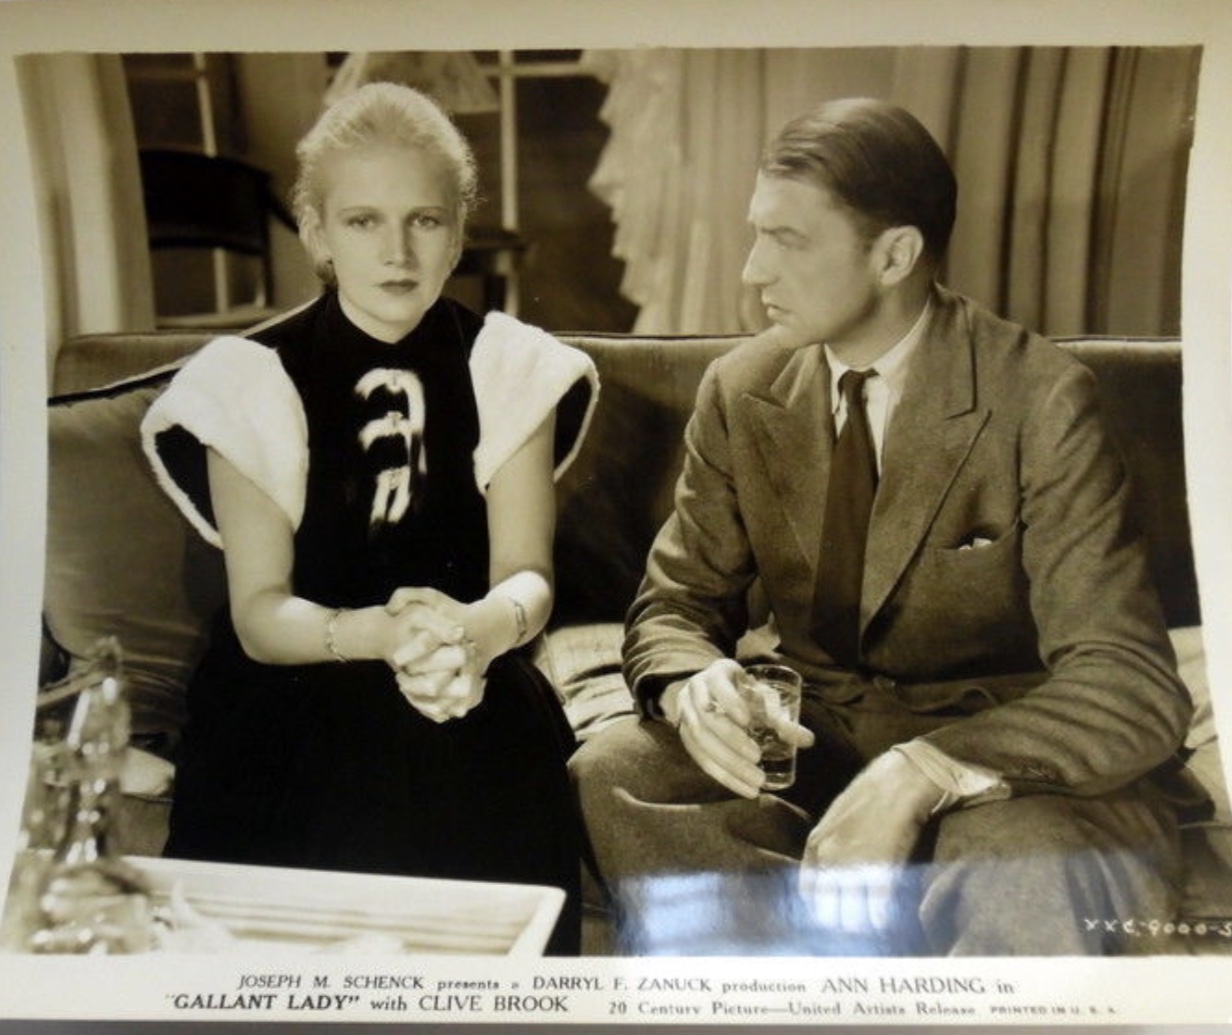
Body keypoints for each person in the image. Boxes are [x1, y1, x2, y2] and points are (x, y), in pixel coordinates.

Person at [571, 97, 1193, 956]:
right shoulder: (740, 389)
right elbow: (675, 606)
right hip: (808, 736)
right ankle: (770, 995)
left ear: (895, 253)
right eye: (756, 233)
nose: (753, 271)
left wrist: (923, 770)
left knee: (1022, 854)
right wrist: (693, 685)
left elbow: (1130, 682)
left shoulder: (1041, 399)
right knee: (619, 770)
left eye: (787, 241)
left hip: (995, 762)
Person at [141, 82, 597, 954]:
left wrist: (478, 631)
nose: (397, 251)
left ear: (459, 230)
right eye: (362, 222)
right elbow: (260, 611)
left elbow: (528, 574)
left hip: (471, 672)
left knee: (489, 803)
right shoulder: (248, 379)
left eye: (424, 220)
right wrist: (378, 635)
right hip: (299, 675)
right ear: (315, 233)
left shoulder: (509, 364)